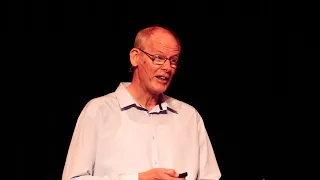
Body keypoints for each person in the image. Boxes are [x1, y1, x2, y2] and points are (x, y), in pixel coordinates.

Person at [62, 25, 221, 180]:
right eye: (158, 58)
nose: (168, 67)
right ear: (135, 57)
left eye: (173, 60)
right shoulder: (98, 111)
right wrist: (137, 179)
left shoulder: (189, 117)